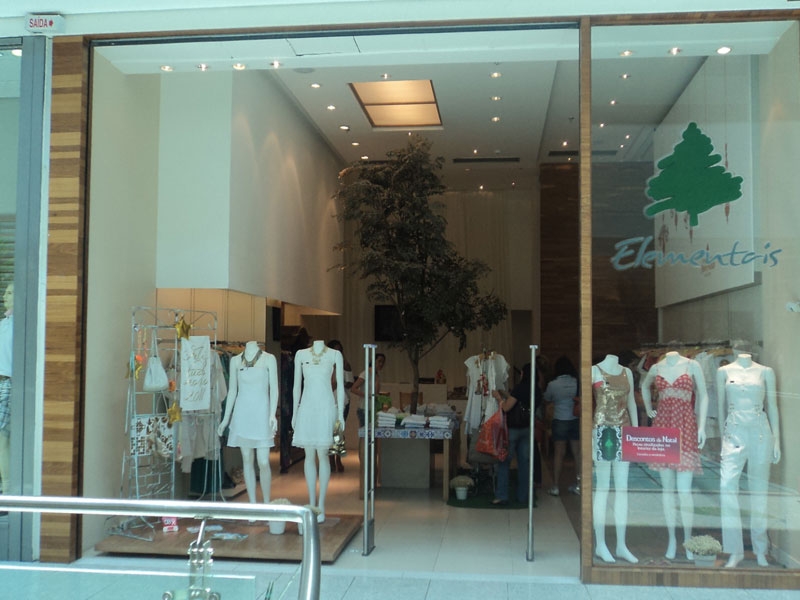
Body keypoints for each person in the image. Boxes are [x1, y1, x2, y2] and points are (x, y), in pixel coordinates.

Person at [641, 350, 708, 560]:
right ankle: (671, 539)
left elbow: (704, 395)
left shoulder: (692, 365)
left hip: (686, 426)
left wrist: (702, 427)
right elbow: (644, 386)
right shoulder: (656, 368)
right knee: (667, 490)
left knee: (684, 491)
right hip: (663, 427)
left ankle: (687, 540)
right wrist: (649, 409)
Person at [716, 353, 781, 568]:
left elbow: (772, 406)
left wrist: (777, 441)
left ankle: (760, 549)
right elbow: (720, 406)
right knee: (727, 486)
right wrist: (722, 437)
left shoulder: (765, 372)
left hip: (760, 431)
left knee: (759, 490)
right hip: (733, 430)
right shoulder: (723, 371)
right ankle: (734, 550)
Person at [217, 341, 279, 505]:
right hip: (242, 414)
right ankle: (252, 503)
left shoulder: (269, 359)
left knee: (263, 461)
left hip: (262, 414)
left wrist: (272, 414)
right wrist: (225, 419)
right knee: (246, 459)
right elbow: (232, 391)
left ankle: (266, 503)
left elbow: (274, 388)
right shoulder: (235, 361)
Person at [592, 353, 639, 564]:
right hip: (602, 431)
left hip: (624, 431)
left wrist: (635, 433)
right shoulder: (593, 371)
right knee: (602, 488)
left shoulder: (627, 372)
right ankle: (600, 544)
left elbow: (631, 404)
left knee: (622, 488)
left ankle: (621, 544)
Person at [292, 339, 345, 523]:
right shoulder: (300, 355)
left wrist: (340, 414)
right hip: (306, 408)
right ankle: (311, 503)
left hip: (326, 408)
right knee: (308, 456)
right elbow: (296, 386)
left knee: (323, 455)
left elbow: (340, 386)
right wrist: (295, 412)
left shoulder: (335, 355)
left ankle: (321, 504)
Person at [491, 363, 533, 505]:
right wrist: (506, 394)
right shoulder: (535, 389)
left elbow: (507, 407)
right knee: (524, 464)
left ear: (522, 374)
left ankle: (502, 495)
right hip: (527, 429)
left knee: (504, 462)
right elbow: (519, 402)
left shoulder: (519, 388)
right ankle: (523, 496)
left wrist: (498, 397)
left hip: (513, 429)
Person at [544, 355, 580, 497]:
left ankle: (555, 486)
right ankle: (579, 484)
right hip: (575, 419)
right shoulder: (577, 382)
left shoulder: (553, 384)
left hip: (559, 419)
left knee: (559, 453)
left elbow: (547, 398)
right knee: (577, 453)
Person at [326, 339, 353, 472]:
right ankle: (331, 458)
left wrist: (340, 383)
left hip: (342, 401)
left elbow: (350, 383)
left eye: (339, 350)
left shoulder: (344, 364)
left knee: (339, 430)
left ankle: (338, 458)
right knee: (329, 431)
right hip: (328, 401)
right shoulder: (325, 364)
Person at [350, 352, 386, 426]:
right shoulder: (365, 373)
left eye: (383, 362)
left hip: (372, 409)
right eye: (379, 361)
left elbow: (376, 392)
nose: (381, 364)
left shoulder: (377, 375)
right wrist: (368, 395)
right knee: (364, 431)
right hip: (364, 408)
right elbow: (353, 389)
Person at [0, 283, 12, 492]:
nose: (4, 295)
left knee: (3, 439)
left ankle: (9, 490)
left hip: (11, 383)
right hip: (3, 383)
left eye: (10, 292)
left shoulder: (22, 324)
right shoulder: (4, 323)